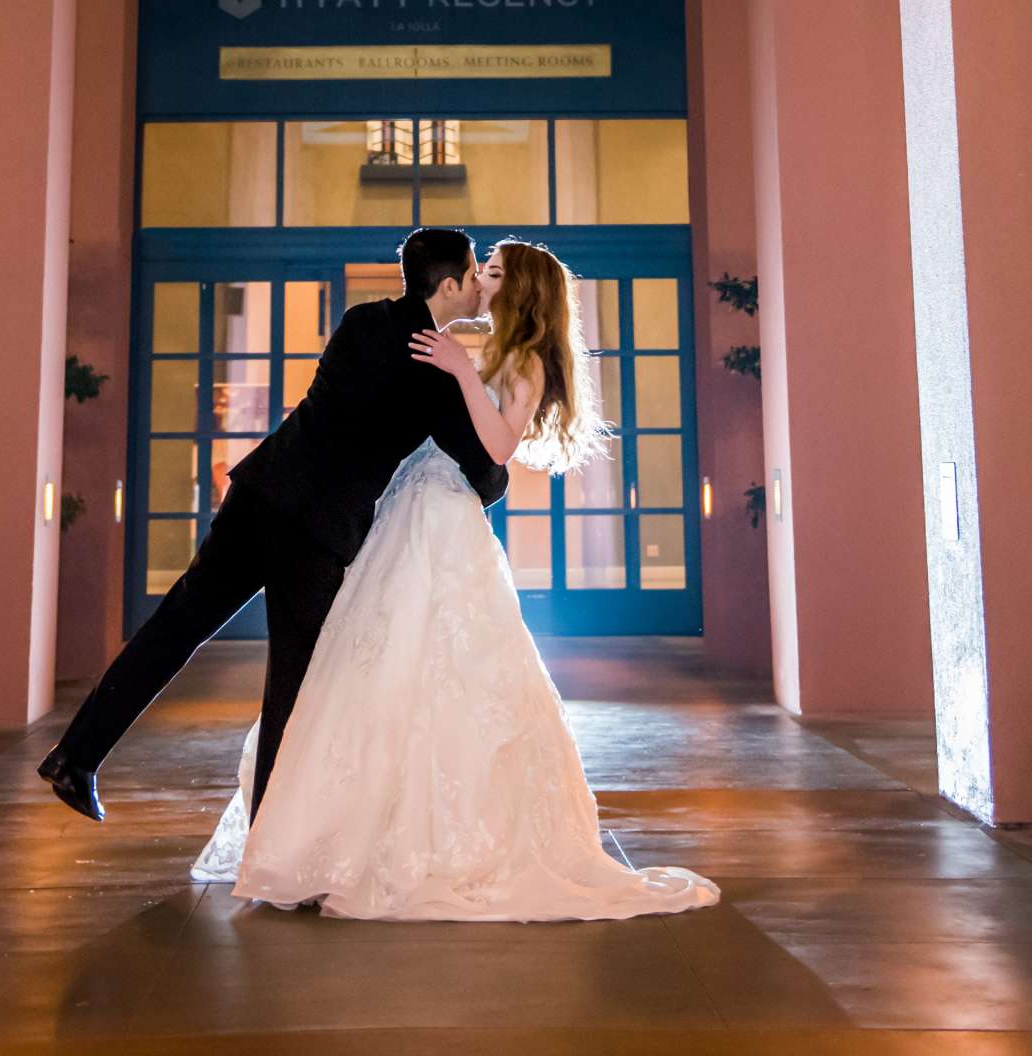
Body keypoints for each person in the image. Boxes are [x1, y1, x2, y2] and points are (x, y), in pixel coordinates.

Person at [191, 238, 721, 923]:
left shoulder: (526, 359)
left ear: (521, 288)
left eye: (495, 273)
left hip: (445, 520)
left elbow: (498, 449)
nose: (483, 283)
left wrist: (460, 373)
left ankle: (423, 840)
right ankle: (331, 832)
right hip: (409, 511)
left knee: (437, 661)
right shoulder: (487, 350)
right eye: (481, 271)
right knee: (369, 666)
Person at [38, 227, 507, 824]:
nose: (477, 288)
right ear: (447, 285)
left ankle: (75, 756)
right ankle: (269, 836)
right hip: (314, 533)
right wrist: (480, 399)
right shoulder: (438, 373)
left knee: (177, 624)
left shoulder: (362, 321)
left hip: (260, 493)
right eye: (472, 277)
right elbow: (487, 480)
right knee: (293, 680)